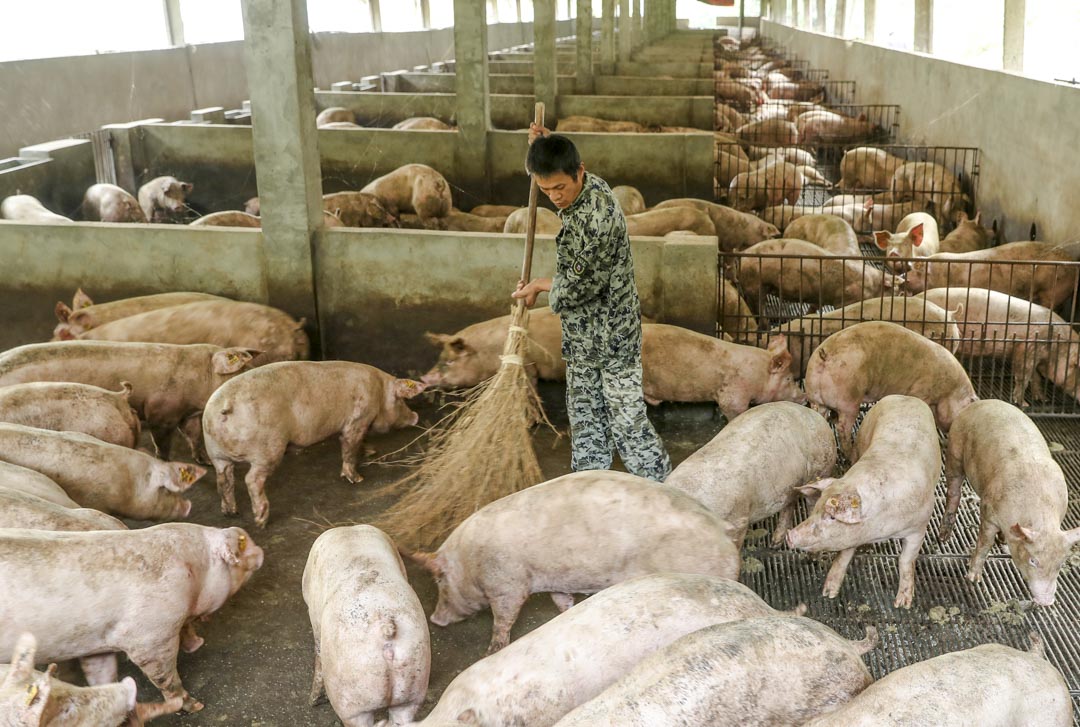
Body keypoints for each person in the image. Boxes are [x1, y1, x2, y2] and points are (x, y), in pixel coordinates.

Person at [512, 124, 671, 481]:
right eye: (545, 188)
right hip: (583, 335)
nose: (554, 196)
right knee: (585, 417)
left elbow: (580, 287)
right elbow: (560, 162)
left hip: (613, 335)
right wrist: (545, 144)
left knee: (627, 421)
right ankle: (589, 488)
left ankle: (662, 488)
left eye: (560, 187)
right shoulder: (581, 183)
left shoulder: (599, 220)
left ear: (579, 172)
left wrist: (539, 285)